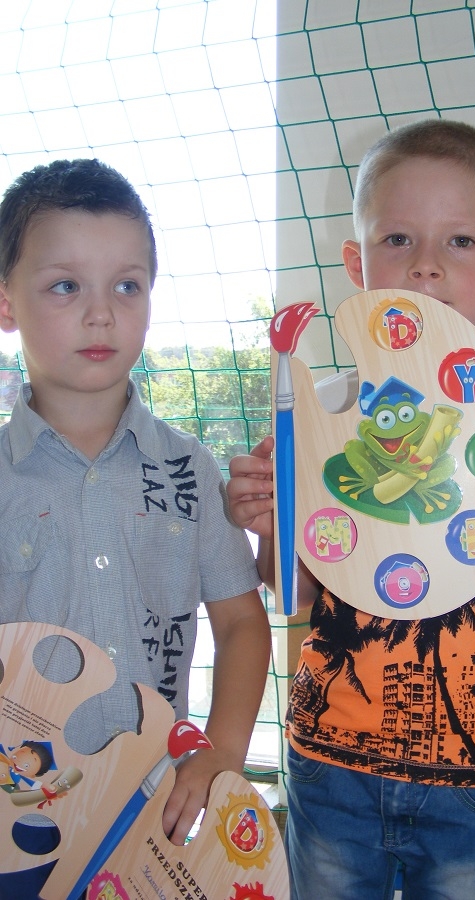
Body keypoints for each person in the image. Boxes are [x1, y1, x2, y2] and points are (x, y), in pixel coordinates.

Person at [226, 120, 475, 900]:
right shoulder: (325, 410)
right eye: (397, 238)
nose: (426, 264)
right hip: (332, 763)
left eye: (460, 241)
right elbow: (293, 593)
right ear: (357, 264)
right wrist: (272, 527)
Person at [0, 159, 271, 875]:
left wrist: (222, 751)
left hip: (154, 816)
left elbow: (242, 624)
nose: (102, 314)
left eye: (127, 285)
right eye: (66, 286)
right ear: (5, 303)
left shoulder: (190, 467)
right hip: (17, 820)